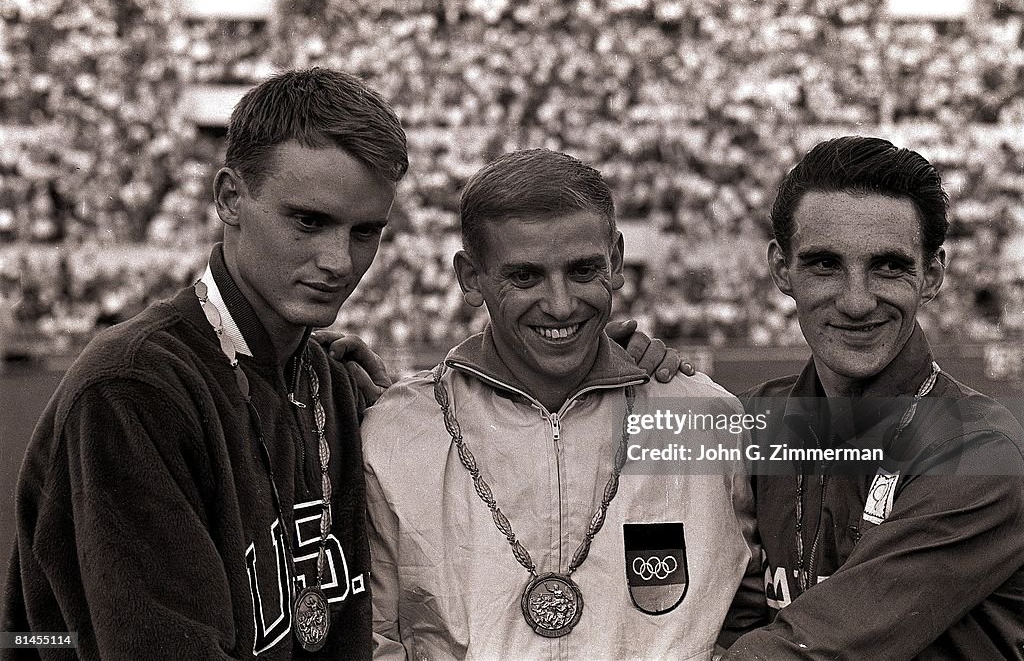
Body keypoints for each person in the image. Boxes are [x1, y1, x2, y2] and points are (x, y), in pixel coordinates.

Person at [1, 68, 407, 659]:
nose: (339, 261)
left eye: (365, 231)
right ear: (229, 198)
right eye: (309, 221)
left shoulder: (331, 382)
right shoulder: (133, 389)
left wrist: (406, 435)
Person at [361, 149, 761, 659]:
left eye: (582, 271)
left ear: (615, 261)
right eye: (525, 276)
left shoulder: (702, 418)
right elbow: (372, 636)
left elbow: (751, 612)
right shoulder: (395, 431)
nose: (561, 304)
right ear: (469, 277)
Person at [723, 136, 1024, 659]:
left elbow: (810, 652)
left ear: (931, 275)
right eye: (824, 265)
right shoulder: (746, 423)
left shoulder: (980, 454)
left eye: (889, 266)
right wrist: (623, 383)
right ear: (781, 270)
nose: (857, 302)